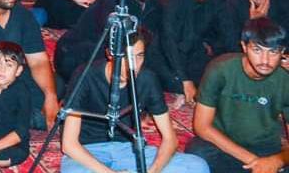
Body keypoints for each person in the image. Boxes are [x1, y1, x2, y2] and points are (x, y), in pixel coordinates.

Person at [60, 28, 209, 173]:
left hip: (129, 150)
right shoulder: (85, 75)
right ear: (110, 54)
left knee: (197, 166)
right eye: (127, 57)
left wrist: (153, 170)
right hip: (88, 152)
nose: (134, 65)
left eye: (139, 56)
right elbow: (69, 144)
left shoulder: (147, 79)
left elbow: (170, 139)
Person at [186, 17, 289, 173]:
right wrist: (254, 162)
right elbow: (202, 127)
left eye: (273, 52)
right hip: (223, 144)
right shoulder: (220, 69)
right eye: (257, 50)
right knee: (196, 155)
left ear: (282, 52)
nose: (265, 60)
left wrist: (276, 161)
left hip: (265, 149)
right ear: (244, 47)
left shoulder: (285, 81)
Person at [55, 0, 167, 81]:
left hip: (118, 56)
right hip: (78, 55)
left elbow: (153, 42)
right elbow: (113, 44)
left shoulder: (154, 4)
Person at [150, 0, 224, 103]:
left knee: (217, 79)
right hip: (164, 57)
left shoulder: (215, 1)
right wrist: (184, 79)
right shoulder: (174, 0)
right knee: (179, 85)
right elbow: (168, 42)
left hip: (191, 54)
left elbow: (222, 34)